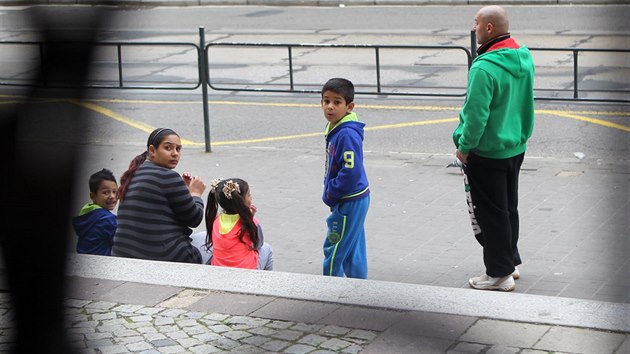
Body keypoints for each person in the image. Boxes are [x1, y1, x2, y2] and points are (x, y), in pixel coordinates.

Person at [453, 5, 535, 291]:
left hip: (487, 151)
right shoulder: (523, 56)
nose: (473, 28)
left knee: (490, 212)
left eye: (476, 23)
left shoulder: (484, 67)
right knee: (508, 207)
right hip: (515, 146)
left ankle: (498, 274)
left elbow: (476, 117)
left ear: (488, 28)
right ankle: (509, 262)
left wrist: (464, 147)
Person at [112, 128, 208, 264]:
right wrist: (195, 194)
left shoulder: (132, 174)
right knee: (213, 242)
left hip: (124, 255)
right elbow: (194, 219)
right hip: (166, 257)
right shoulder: (168, 176)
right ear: (152, 150)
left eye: (178, 149)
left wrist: (183, 191)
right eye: (168, 148)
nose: (175, 154)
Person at [320, 78, 370, 279]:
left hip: (349, 199)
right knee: (354, 250)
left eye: (337, 102)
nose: (330, 107)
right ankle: (359, 289)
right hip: (356, 197)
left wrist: (331, 191)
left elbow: (350, 172)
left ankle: (330, 291)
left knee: (334, 248)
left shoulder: (346, 134)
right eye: (326, 101)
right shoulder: (337, 128)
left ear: (349, 107)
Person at [204, 178, 273, 270]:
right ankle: (265, 280)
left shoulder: (216, 221)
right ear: (239, 200)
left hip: (218, 270)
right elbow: (258, 243)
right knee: (267, 248)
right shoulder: (249, 221)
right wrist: (250, 219)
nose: (251, 197)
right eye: (248, 194)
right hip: (246, 271)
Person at [72, 168, 118, 256]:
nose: (112, 196)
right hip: (100, 261)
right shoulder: (107, 220)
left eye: (115, 192)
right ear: (93, 196)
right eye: (106, 192)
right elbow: (120, 240)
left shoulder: (87, 212)